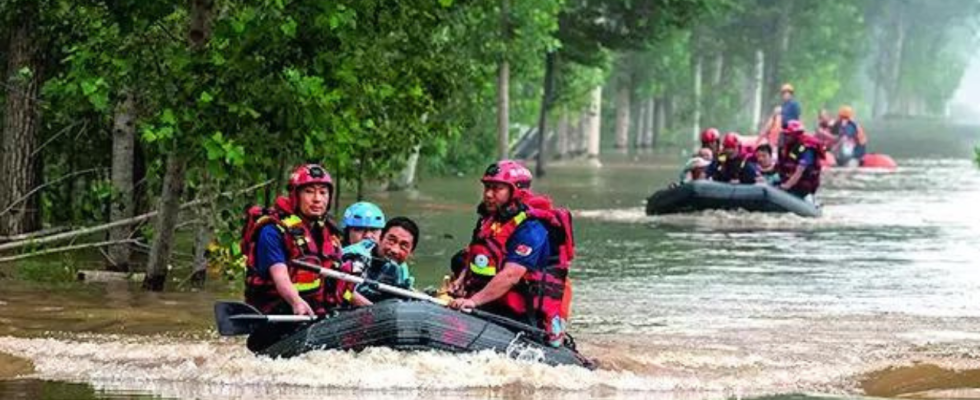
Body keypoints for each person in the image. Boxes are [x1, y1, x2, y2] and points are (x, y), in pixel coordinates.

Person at [448, 160, 575, 347]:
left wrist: (473, 302)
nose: (488, 195)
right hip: (489, 305)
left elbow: (511, 275)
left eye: (496, 189)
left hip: (520, 316)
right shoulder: (488, 221)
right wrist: (460, 281)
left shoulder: (531, 229)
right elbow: (474, 254)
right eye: (487, 188)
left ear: (516, 191)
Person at [240, 164, 364, 351]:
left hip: (319, 317)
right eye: (309, 192)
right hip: (283, 316)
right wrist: (296, 302)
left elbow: (339, 282)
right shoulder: (272, 231)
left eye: (323, 193)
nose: (317, 199)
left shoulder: (329, 234)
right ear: (295, 195)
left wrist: (373, 309)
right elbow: (280, 276)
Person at [353, 217, 418, 303]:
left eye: (403, 246)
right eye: (391, 241)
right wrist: (372, 309)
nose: (395, 250)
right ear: (380, 239)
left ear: (411, 253)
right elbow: (345, 293)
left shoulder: (401, 268)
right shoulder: (356, 257)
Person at [777, 120, 822, 199]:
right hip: (787, 180)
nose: (784, 137)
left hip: (802, 186)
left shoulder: (807, 149)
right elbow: (778, 166)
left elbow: (800, 170)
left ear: (795, 135)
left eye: (787, 135)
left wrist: (786, 186)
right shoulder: (787, 148)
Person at [340, 201, 386, 273]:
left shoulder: (388, 260)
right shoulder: (334, 254)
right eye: (359, 229)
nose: (367, 236)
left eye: (373, 230)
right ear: (347, 233)